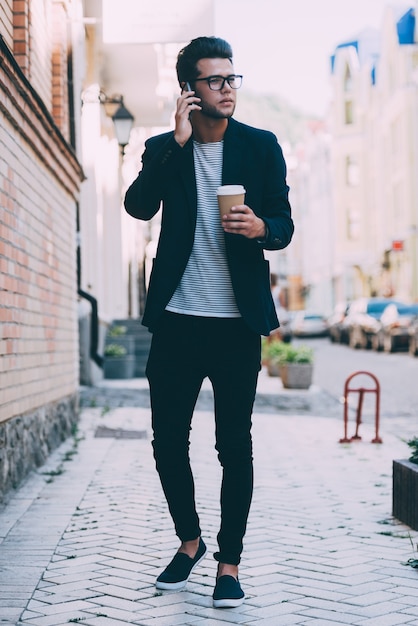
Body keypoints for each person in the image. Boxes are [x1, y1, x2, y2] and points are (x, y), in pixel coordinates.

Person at [124, 36, 294, 608]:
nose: (227, 89)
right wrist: (174, 143)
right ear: (189, 91)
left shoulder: (262, 146)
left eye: (231, 79)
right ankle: (190, 541)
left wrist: (261, 229)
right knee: (168, 441)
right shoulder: (163, 148)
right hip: (176, 320)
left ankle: (229, 563)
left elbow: (284, 223)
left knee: (233, 447)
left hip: (234, 325)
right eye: (215, 80)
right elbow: (138, 207)